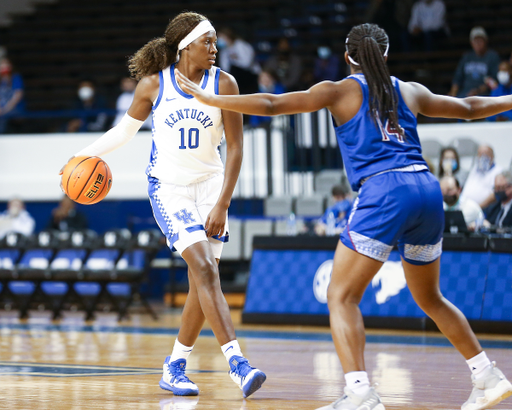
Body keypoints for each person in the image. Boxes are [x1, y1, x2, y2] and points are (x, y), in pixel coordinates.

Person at [176, 22, 512, 410]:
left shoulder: (340, 90)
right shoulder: (410, 90)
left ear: (348, 55)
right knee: (431, 297)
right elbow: (471, 108)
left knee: (341, 295)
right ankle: (487, 374)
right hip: (427, 188)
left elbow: (271, 105)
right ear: (385, 55)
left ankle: (359, 393)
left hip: (386, 191)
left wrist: (211, 99)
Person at [59, 12, 265, 398]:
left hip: (210, 187)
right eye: (208, 41)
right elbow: (122, 132)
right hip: (170, 189)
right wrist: (78, 156)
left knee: (203, 282)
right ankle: (238, 365)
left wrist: (222, 203)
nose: (215, 48)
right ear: (187, 45)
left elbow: (236, 149)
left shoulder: (226, 83)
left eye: (215, 42)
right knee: (205, 269)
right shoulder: (154, 84)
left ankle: (174, 366)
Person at [449, 27, 500, 98]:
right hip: (465, 94)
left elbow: (494, 81)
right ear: (471, 42)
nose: (478, 43)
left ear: (486, 41)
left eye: (480, 40)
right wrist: (452, 94)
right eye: (475, 41)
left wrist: (478, 91)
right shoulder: (467, 57)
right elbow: (458, 78)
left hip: (483, 95)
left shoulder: (492, 56)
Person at [216, 27, 259, 95]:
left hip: (250, 75)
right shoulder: (224, 50)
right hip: (236, 77)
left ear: (228, 37)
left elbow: (247, 63)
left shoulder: (240, 45)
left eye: (221, 37)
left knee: (234, 70)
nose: (219, 39)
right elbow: (225, 68)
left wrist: (235, 60)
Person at [461, 144, 503, 209]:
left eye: (486, 154)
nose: (483, 157)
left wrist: (477, 207)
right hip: (466, 207)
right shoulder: (475, 169)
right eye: (480, 154)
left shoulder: (498, 171)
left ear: (492, 156)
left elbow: (495, 194)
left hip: (485, 209)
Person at [0, 57, 25, 134]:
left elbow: (17, 96)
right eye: (2, 65)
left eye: (6, 65)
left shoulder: (15, 78)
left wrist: (5, 109)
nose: (4, 67)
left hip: (14, 109)